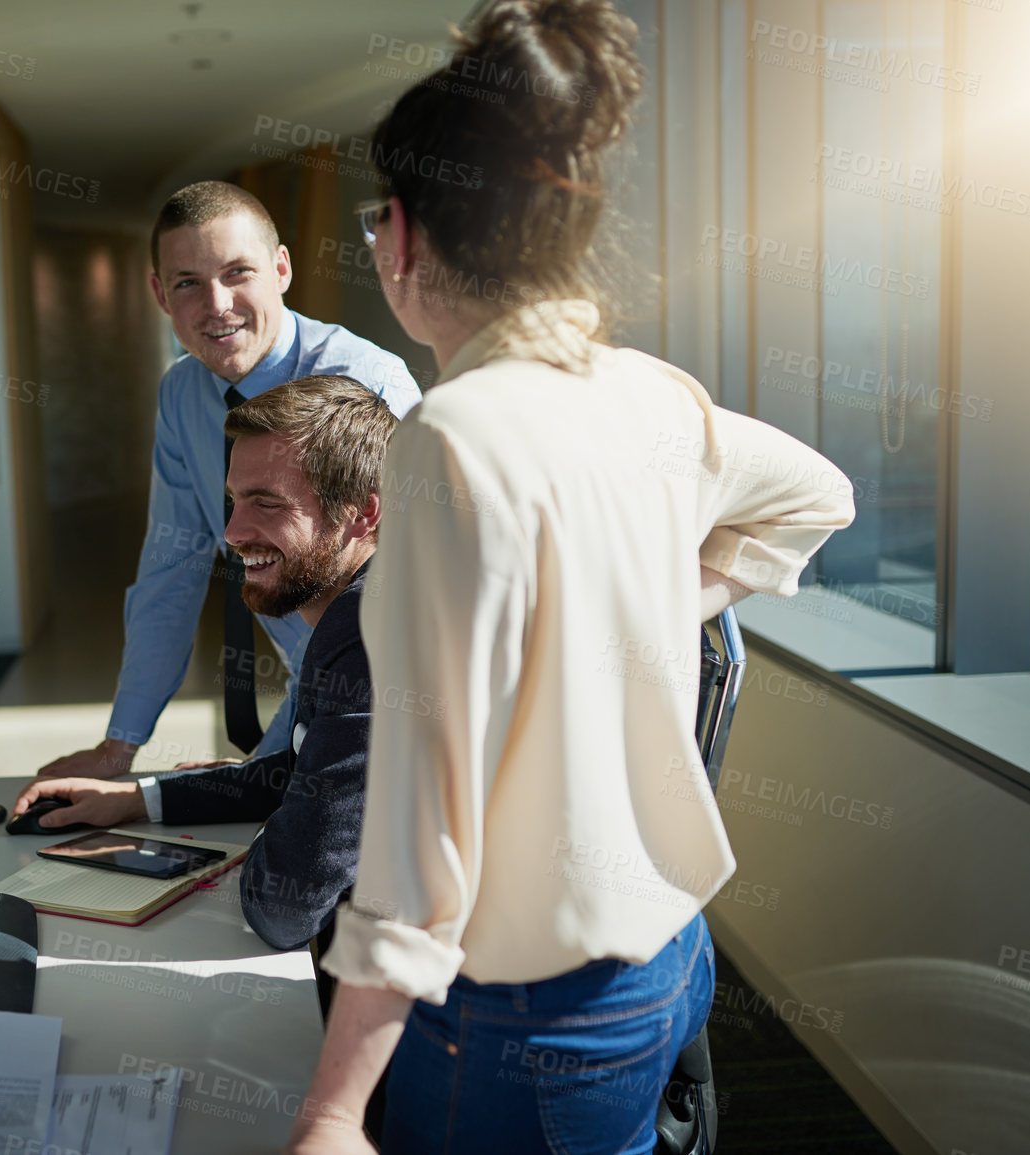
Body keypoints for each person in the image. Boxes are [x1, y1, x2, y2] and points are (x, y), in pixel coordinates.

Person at [282, 3, 857, 1153]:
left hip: (526, 1014)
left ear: (398, 236)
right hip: (671, 958)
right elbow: (818, 496)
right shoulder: (649, 393)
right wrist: (652, 609)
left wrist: (335, 1110)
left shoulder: (452, 438)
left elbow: (418, 838)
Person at [35, 182, 422, 782]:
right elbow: (172, 569)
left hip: (381, 706)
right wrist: (120, 748)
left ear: (281, 268)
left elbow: (401, 600)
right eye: (188, 282)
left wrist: (269, 771)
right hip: (308, 691)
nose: (216, 304)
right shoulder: (182, 393)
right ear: (161, 295)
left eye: (238, 272)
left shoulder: (363, 384)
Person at [15, 375, 395, 954]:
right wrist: (134, 799)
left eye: (267, 503)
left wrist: (278, 827)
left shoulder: (368, 632)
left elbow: (283, 907)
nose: (233, 533)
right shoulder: (366, 603)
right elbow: (295, 776)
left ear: (362, 513)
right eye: (234, 500)